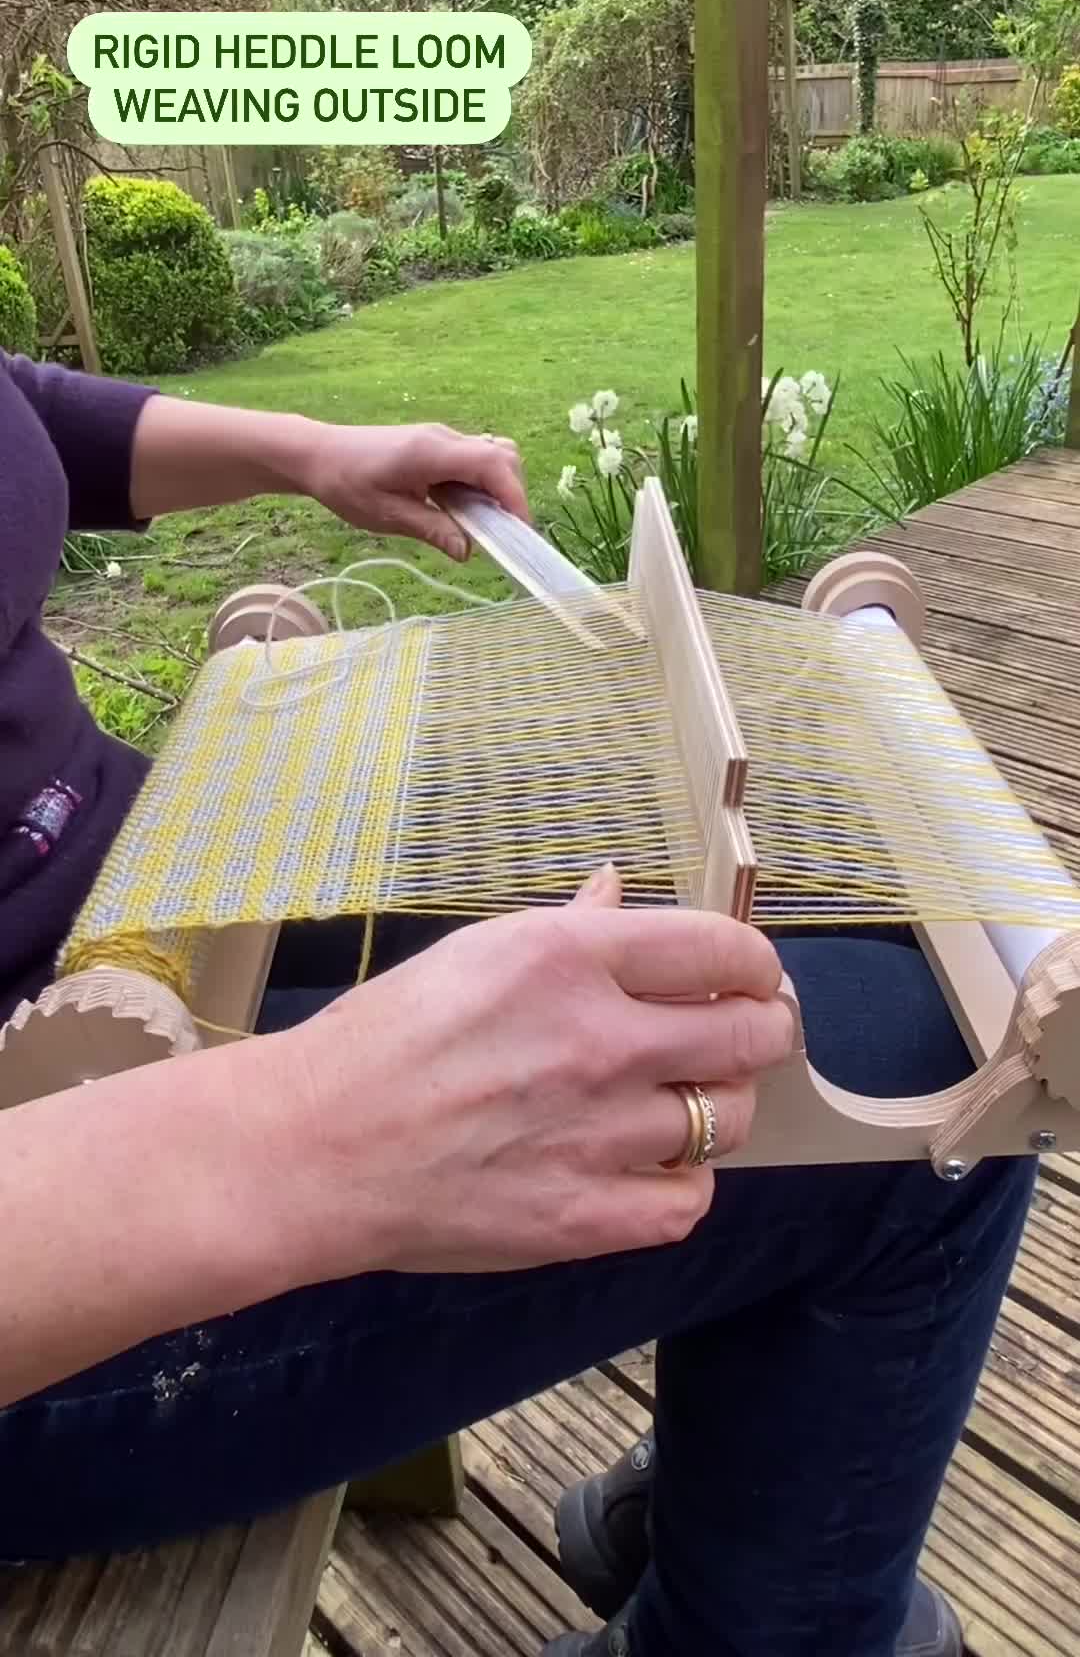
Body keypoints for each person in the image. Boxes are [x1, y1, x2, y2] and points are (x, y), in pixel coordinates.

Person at [0, 348, 1034, 1657]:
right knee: (928, 1086)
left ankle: (723, 1529)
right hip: (70, 1255)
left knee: (790, 940)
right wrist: (304, 1141)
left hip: (137, 914)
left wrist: (306, 450)